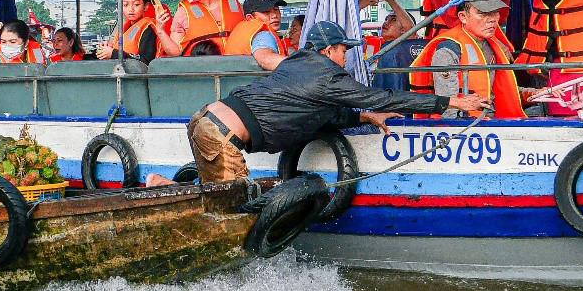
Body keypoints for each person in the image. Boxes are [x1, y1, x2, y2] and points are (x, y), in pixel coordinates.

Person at [186, 20, 486, 183]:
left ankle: (165, 185)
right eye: (343, 50)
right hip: (223, 135)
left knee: (213, 197)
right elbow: (383, 97)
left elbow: (319, 114)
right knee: (229, 213)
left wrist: (364, 117)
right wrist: (451, 102)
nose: (346, 58)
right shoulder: (328, 75)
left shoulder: (295, 63)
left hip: (205, 120)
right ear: (328, 50)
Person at [410, 0, 526, 119]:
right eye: (483, 14)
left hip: (490, 120)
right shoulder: (448, 49)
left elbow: (500, 89)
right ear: (463, 17)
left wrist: (533, 94)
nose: (492, 20)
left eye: (495, 13)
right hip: (465, 126)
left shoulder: (490, 45)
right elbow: (448, 107)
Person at [359, 0, 423, 91]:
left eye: (393, 20)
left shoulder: (409, 46)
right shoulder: (371, 43)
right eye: (385, 19)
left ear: (403, 29)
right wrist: (359, 5)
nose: (386, 23)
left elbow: (410, 29)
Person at [97, 0, 179, 62]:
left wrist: (114, 54)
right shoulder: (124, 28)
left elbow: (145, 60)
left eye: (136, 4)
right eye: (125, 5)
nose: (131, 9)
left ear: (146, 7)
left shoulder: (148, 28)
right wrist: (108, 47)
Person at [222, 0, 289, 70]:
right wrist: (300, 65)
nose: (274, 15)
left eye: (276, 9)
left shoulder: (243, 31)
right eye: (266, 12)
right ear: (250, 18)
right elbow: (266, 60)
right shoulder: (263, 34)